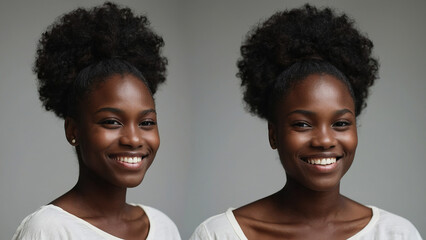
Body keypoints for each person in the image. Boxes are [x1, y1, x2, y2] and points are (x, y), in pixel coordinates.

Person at [190, 4, 422, 240]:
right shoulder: (219, 234)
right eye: (302, 124)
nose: (324, 140)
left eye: (340, 124)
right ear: (273, 134)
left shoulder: (395, 234)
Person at [13, 3, 181, 239]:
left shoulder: (164, 227)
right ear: (73, 130)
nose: (133, 139)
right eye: (112, 122)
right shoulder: (48, 229)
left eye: (146, 123)